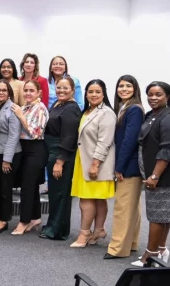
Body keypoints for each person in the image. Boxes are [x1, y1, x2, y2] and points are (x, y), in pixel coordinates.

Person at [132, 81, 170, 266]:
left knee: (157, 217)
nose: (153, 98)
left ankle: (149, 255)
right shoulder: (153, 115)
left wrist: (155, 176)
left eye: (158, 95)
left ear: (168, 97)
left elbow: (167, 150)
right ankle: (161, 250)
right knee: (162, 216)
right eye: (150, 94)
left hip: (164, 177)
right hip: (155, 175)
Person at [69, 79, 116, 246]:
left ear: (104, 94)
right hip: (83, 160)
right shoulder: (88, 111)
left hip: (96, 162)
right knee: (97, 199)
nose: (94, 95)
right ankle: (99, 230)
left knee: (86, 199)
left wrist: (95, 164)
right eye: (90, 92)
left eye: (97, 92)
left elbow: (105, 141)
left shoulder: (107, 113)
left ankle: (84, 234)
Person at [105, 75, 144, 259]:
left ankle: (118, 248)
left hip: (128, 165)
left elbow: (130, 140)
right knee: (132, 207)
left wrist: (118, 167)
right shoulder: (124, 108)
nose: (124, 89)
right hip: (128, 164)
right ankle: (132, 243)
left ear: (135, 88)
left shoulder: (134, 109)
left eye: (128, 86)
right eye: (121, 86)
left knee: (122, 207)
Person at [40, 77, 83, 241]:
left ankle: (57, 230)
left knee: (60, 193)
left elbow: (69, 137)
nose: (61, 91)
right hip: (53, 151)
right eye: (59, 88)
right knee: (55, 193)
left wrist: (60, 162)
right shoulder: (59, 104)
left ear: (73, 90)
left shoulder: (71, 109)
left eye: (66, 88)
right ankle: (53, 225)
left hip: (61, 154)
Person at [11, 80, 49, 235]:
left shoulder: (40, 108)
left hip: (36, 149)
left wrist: (20, 116)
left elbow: (35, 133)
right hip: (24, 149)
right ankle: (35, 217)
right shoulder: (26, 107)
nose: (27, 93)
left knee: (27, 187)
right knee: (31, 187)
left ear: (39, 92)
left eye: (31, 90)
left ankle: (23, 221)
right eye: (25, 90)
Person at [0, 79, 21, 234]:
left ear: (9, 92)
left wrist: (7, 160)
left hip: (8, 155)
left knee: (5, 189)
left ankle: (4, 220)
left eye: (4, 90)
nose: (1, 92)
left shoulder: (13, 109)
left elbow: (14, 136)